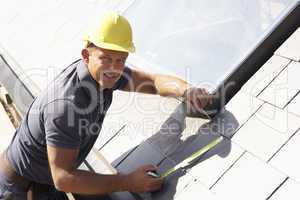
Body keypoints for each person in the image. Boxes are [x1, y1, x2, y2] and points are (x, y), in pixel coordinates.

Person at [0, 12, 212, 199]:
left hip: (41, 182)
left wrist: (186, 90)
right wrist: (127, 182)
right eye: (106, 58)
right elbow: (64, 178)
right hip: (16, 189)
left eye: (121, 59)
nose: (114, 68)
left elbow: (154, 82)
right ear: (86, 56)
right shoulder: (66, 106)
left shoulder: (103, 74)